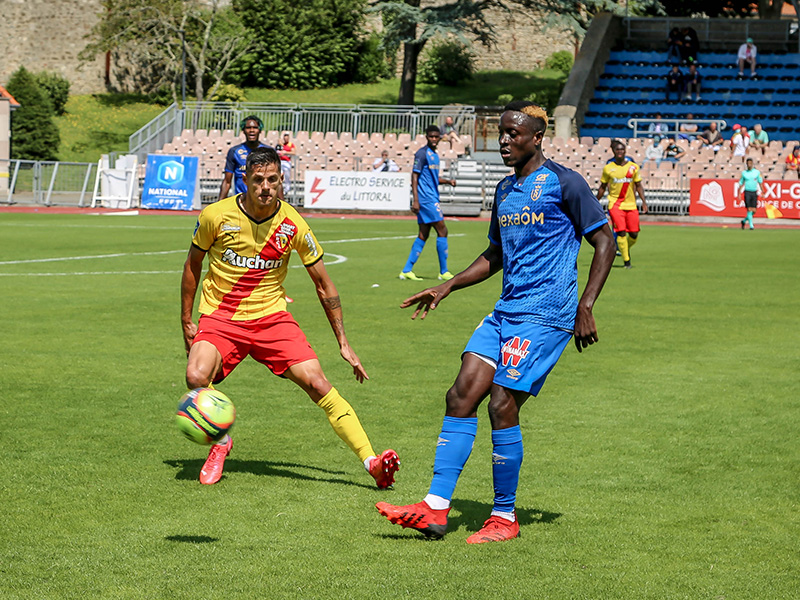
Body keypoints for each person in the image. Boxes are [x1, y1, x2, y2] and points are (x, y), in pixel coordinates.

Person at [375, 101, 615, 544]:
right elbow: (496, 255)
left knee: (501, 403)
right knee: (461, 394)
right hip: (507, 310)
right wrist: (448, 285)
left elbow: (605, 240)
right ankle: (435, 508)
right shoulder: (505, 190)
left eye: (513, 134)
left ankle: (504, 517)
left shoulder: (565, 183)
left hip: (546, 314)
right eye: (501, 132)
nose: (504, 141)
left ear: (537, 138)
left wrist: (586, 305)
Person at [181, 146, 399, 488]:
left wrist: (343, 342)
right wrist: (186, 320)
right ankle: (221, 442)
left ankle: (372, 462)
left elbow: (324, 284)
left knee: (318, 384)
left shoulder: (293, 223)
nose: (265, 187)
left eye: (272, 180)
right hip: (222, 317)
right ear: (245, 180)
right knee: (195, 376)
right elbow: (192, 265)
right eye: (258, 180)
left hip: (272, 319)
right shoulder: (215, 216)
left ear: (281, 179)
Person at [399, 124, 457, 281]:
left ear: (440, 138)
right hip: (426, 199)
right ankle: (443, 271)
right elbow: (414, 175)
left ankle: (406, 270)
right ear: (426, 137)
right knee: (442, 230)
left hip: (431, 197)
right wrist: (416, 200)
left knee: (423, 234)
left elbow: (433, 177)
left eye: (436, 136)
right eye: (431, 136)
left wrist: (448, 181)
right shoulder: (422, 153)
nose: (433, 139)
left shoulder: (434, 155)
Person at [597, 139, 648, 269]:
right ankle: (627, 261)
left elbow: (638, 185)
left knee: (634, 234)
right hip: (615, 204)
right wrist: (595, 201)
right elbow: (602, 187)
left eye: (622, 149)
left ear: (625, 151)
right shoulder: (608, 168)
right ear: (613, 151)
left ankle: (622, 248)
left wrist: (644, 201)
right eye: (617, 149)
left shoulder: (633, 167)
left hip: (631, 204)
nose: (620, 151)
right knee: (621, 232)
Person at [218, 115, 269, 201]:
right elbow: (227, 181)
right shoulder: (234, 151)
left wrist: (283, 205)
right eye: (248, 128)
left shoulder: (268, 152)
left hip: (262, 201)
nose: (252, 130)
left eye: (255, 128)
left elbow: (277, 181)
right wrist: (219, 204)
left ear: (260, 130)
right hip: (242, 201)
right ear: (243, 131)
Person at [738, 157, 763, 230]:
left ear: (752, 164)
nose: (749, 164)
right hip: (747, 192)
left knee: (754, 210)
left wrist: (763, 191)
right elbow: (741, 183)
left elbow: (760, 182)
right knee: (749, 209)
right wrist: (739, 193)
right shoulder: (744, 173)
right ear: (746, 164)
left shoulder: (757, 172)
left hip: (754, 192)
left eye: (750, 163)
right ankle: (751, 226)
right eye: (748, 163)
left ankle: (744, 221)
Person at [275, 132, 295, 197]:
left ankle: (287, 189)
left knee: (287, 176)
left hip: (287, 161)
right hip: (280, 161)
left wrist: (285, 152)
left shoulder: (291, 144)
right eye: (285, 137)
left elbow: (294, 152)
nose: (286, 138)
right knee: (279, 175)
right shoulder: (281, 145)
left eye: (287, 137)